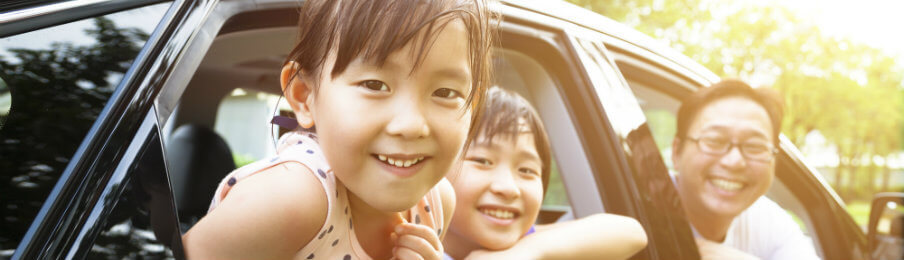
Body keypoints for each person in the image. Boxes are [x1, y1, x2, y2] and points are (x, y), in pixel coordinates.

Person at [182, 0, 496, 259]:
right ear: (305, 96)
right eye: (375, 85)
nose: (412, 125)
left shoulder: (436, 200)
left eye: (445, 93)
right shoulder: (291, 200)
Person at [442, 87, 648, 260]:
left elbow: (632, 232)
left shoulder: (527, 243)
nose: (508, 188)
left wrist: (526, 251)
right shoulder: (413, 247)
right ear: (435, 173)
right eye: (483, 161)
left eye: (526, 170)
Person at [671, 79, 820, 259]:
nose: (734, 161)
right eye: (715, 141)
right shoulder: (636, 206)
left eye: (754, 146)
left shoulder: (768, 222)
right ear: (676, 152)